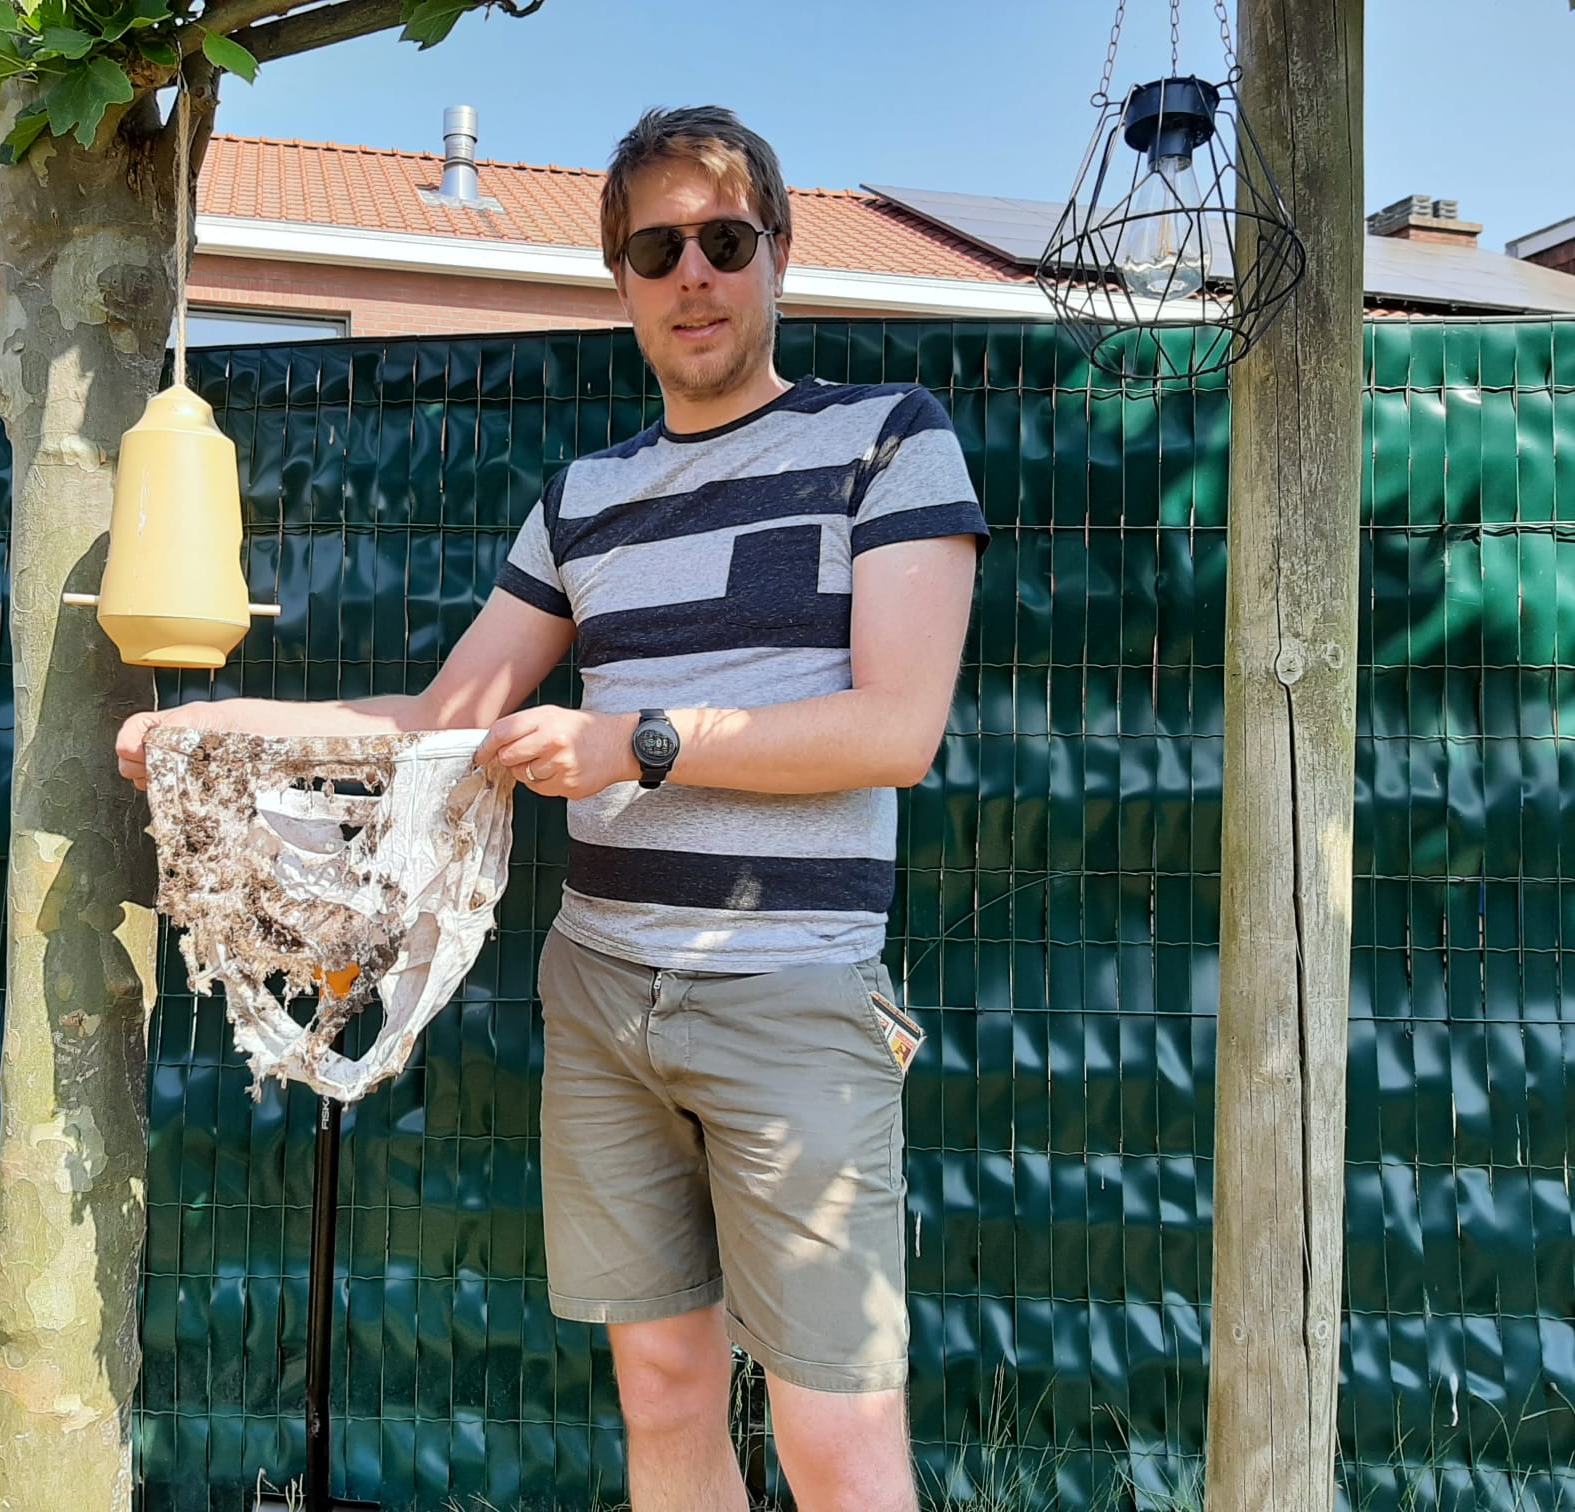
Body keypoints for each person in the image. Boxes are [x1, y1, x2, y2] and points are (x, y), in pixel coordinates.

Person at [117, 105, 987, 1512]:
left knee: (837, 1441)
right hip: (601, 995)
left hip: (794, 999)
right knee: (661, 1394)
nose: (692, 272)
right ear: (622, 282)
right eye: (656, 248)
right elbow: (447, 720)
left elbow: (897, 730)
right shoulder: (582, 500)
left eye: (722, 238)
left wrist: (635, 742)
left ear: (777, 254)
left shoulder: (889, 440)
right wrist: (220, 725)